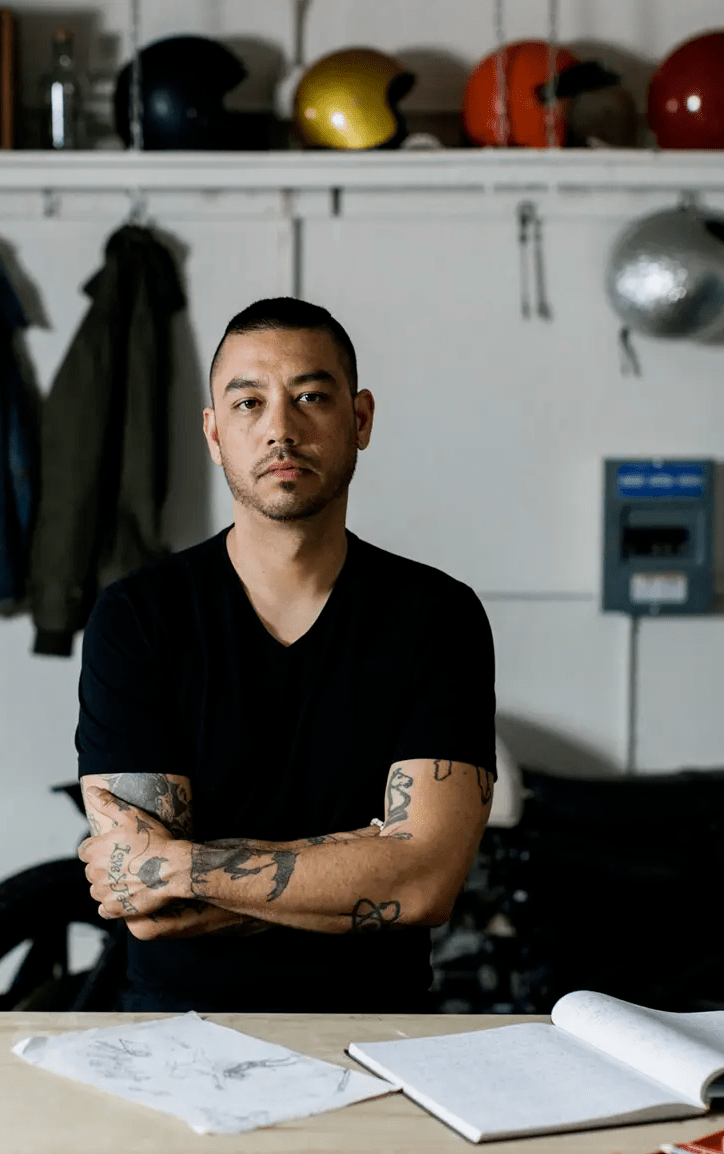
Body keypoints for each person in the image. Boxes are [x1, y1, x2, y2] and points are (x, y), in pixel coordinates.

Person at [76, 297, 496, 1012]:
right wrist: (361, 865)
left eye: (310, 397)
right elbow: (144, 904)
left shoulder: (437, 617)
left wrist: (184, 864)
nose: (280, 428)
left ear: (359, 419)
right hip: (179, 1033)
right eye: (248, 403)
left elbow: (423, 884)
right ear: (214, 434)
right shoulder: (138, 617)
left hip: (382, 1034)